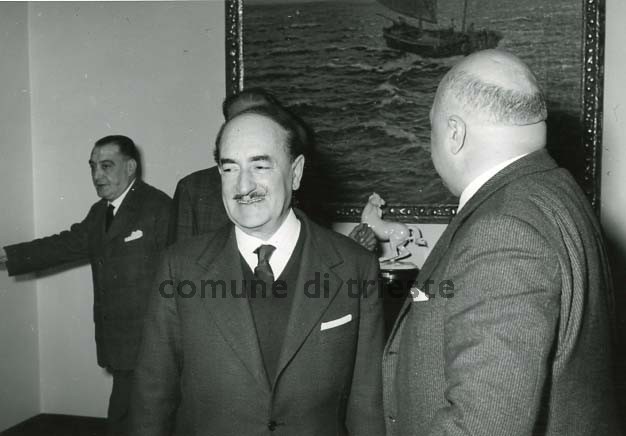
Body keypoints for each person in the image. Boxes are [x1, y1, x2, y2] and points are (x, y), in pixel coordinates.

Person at [383, 49, 621, 435]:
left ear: (455, 133)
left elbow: (483, 425)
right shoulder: (557, 190)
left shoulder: (503, 229)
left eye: (432, 129)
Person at [130, 103, 385, 435]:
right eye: (230, 168)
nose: (243, 186)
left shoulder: (355, 266)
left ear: (296, 172)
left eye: (260, 166)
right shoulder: (179, 267)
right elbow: (152, 398)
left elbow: (368, 404)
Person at [0, 135, 171, 436]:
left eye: (106, 166)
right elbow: (64, 245)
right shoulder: (100, 212)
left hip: (151, 345)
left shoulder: (158, 207)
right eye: (93, 166)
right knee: (126, 421)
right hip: (121, 345)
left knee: (136, 423)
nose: (96, 175)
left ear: (130, 167)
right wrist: (5, 255)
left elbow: (178, 276)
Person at [167, 87, 377, 251]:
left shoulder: (302, 183)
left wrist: (348, 249)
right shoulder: (193, 189)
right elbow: (180, 265)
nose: (245, 186)